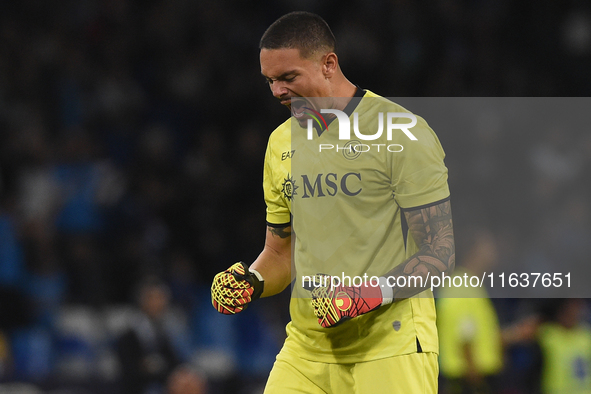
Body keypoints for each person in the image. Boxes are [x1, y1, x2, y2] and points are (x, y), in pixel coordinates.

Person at [211, 11, 454, 393]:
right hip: (307, 351)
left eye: (288, 77)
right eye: (270, 81)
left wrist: (363, 295)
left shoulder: (402, 133)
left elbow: (439, 252)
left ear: (328, 64)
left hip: (390, 347)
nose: (277, 91)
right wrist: (252, 280)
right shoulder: (280, 143)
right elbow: (280, 253)